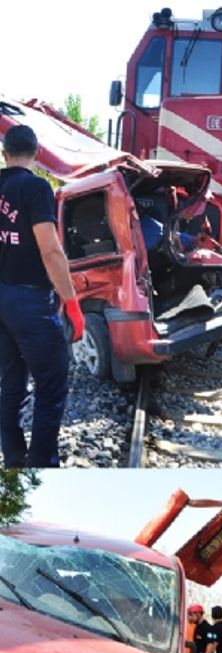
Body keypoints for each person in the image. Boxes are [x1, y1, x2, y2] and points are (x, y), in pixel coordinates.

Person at [0, 124, 84, 468]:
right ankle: (42, 464)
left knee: (11, 382)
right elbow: (50, 250)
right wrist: (72, 303)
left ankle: (15, 460)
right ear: (37, 154)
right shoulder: (35, 188)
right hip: (31, 302)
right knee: (52, 387)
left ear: (5, 153)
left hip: (2, 298)